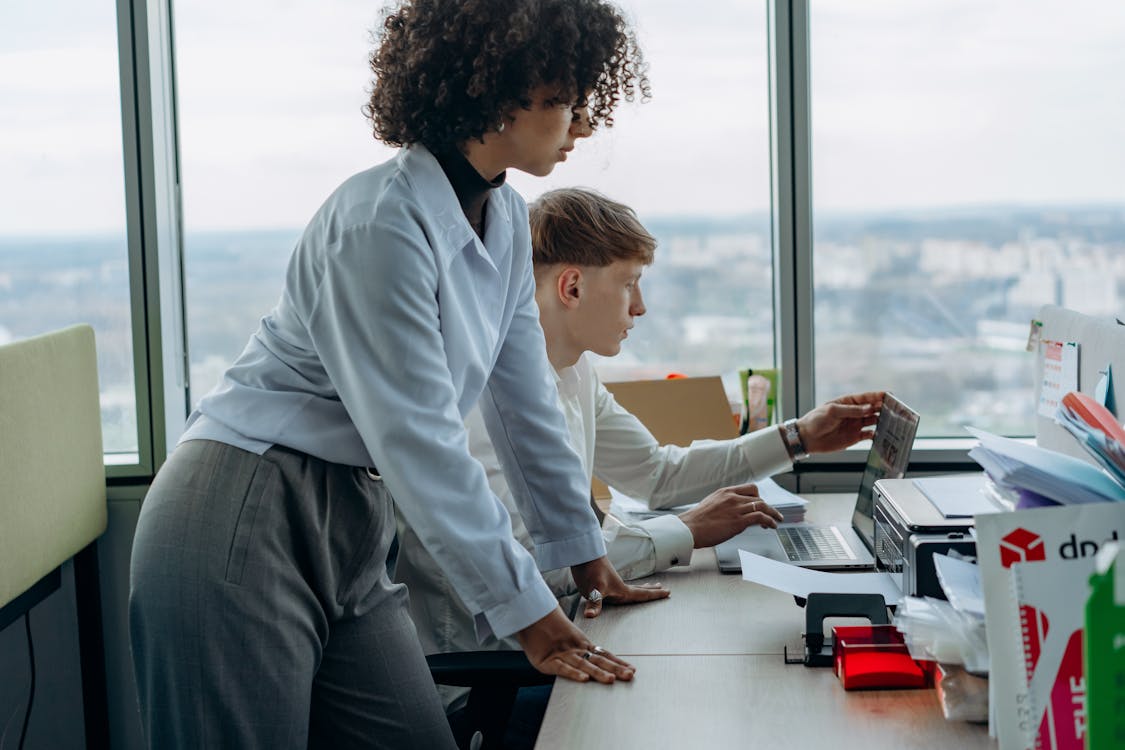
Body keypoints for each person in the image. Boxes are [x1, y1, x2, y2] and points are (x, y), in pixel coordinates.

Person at [128, 3, 665, 749]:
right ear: (499, 93)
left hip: (352, 511)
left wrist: (585, 558)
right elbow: (420, 442)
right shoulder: (379, 221)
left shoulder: (506, 218)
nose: (581, 124)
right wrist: (530, 617)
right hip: (245, 507)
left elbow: (523, 403)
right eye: (565, 98)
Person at [394, 187, 884, 740]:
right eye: (628, 284)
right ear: (572, 287)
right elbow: (542, 564)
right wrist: (686, 530)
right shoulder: (483, 403)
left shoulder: (574, 373)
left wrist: (796, 438)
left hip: (560, 635)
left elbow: (656, 473)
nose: (640, 306)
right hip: (495, 675)